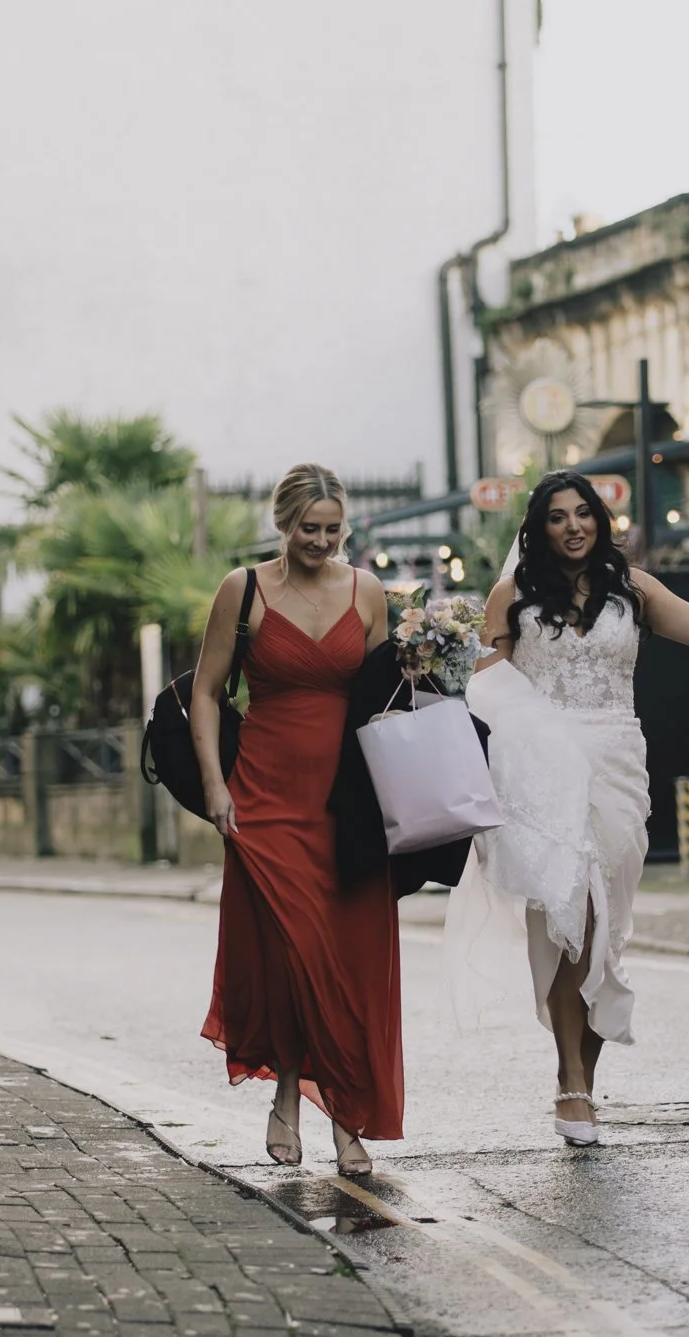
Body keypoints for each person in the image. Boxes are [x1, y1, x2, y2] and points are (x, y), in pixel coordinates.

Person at [451, 472, 689, 1146]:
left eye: (583, 514)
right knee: (570, 915)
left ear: (599, 520)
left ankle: (582, 1081)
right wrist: (438, 653)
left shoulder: (635, 589)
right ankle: (568, 1079)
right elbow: (479, 688)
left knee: (601, 928)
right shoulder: (513, 595)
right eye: (557, 516)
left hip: (617, 765)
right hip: (541, 772)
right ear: (539, 527)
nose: (572, 527)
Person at [192, 464, 396, 1178]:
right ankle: (285, 1090)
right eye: (308, 529)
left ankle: (346, 1118)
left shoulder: (366, 592)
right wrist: (217, 788)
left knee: (344, 962)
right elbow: (208, 693)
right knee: (289, 956)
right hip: (265, 797)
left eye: (333, 529)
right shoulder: (241, 590)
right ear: (282, 524)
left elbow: (385, 701)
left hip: (346, 803)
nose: (321, 540)